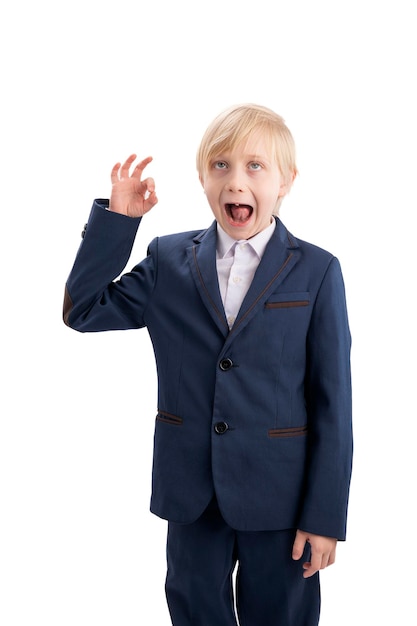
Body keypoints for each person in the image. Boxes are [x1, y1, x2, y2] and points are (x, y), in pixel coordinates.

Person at [63, 103, 353, 626]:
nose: (236, 181)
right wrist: (117, 224)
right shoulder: (168, 260)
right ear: (201, 177)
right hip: (192, 493)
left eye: (255, 166)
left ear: (287, 179)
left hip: (282, 501)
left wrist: (325, 515)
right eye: (220, 165)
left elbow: (334, 403)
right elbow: (84, 311)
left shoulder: (317, 270)